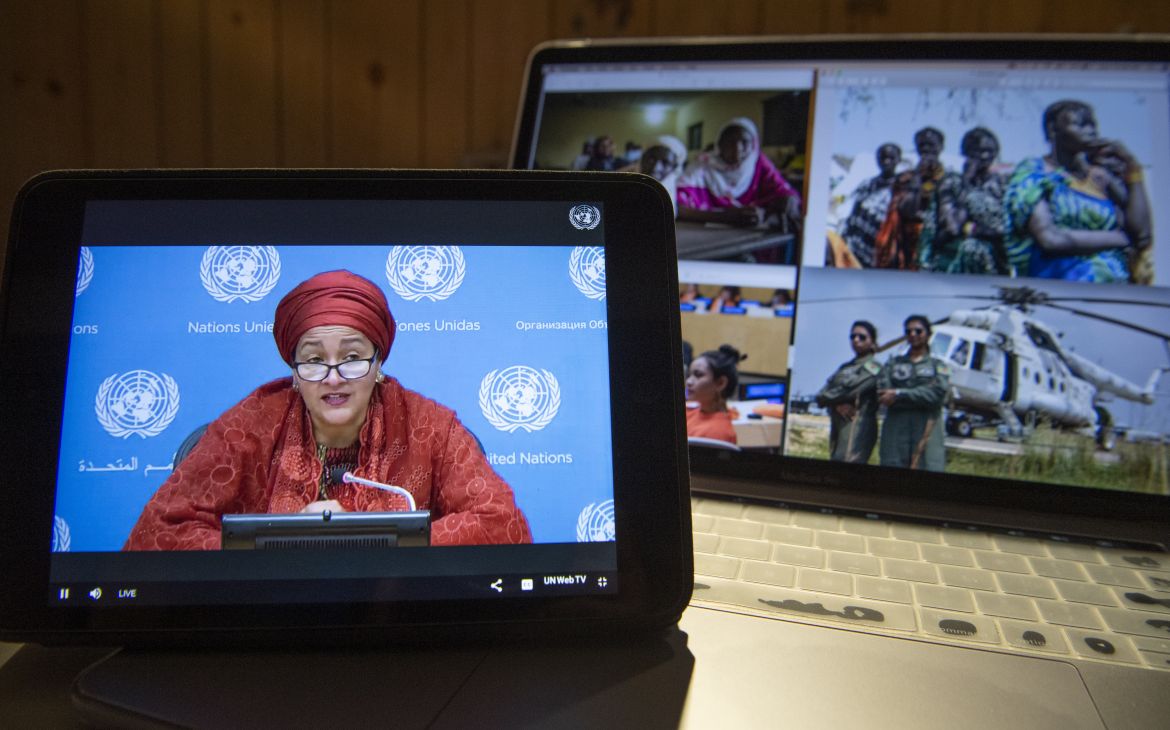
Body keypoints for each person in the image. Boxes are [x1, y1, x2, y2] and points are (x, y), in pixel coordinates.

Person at [125, 270, 532, 550]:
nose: (333, 378)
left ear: (378, 364)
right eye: (314, 360)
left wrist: (368, 542)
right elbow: (157, 533)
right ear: (293, 371)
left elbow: (502, 524)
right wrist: (282, 545)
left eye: (353, 357)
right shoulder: (249, 425)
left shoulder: (431, 426)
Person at [1003, 99, 1152, 283]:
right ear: (1052, 129)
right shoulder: (1034, 173)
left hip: (1113, 289)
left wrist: (1133, 170)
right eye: (1081, 124)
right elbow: (1050, 239)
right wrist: (1122, 239)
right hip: (1058, 287)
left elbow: (1142, 236)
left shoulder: (1100, 177)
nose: (1091, 131)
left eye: (1093, 125)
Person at [676, 117, 802, 235]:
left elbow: (782, 190)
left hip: (752, 237)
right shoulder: (702, 165)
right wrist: (726, 217)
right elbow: (677, 208)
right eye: (730, 141)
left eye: (745, 142)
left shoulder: (759, 163)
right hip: (708, 236)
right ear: (719, 144)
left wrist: (790, 198)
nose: (737, 148)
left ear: (753, 145)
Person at [921, 127, 1008, 274]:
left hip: (996, 261)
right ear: (967, 153)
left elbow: (1007, 229)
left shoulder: (1002, 185)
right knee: (972, 248)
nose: (985, 156)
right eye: (979, 151)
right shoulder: (952, 182)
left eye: (990, 151)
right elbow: (953, 227)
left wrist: (979, 230)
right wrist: (966, 183)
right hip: (955, 261)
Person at [877, 315, 950, 471]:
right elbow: (883, 395)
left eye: (918, 331)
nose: (913, 334)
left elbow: (936, 396)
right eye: (908, 331)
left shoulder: (938, 366)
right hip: (896, 430)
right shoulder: (893, 363)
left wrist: (899, 393)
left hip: (927, 429)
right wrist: (921, 395)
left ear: (928, 334)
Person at [874, 127, 947, 270]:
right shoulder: (905, 178)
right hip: (908, 244)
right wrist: (918, 177)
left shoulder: (950, 179)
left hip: (939, 243)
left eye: (931, 144)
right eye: (921, 145)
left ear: (941, 147)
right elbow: (906, 209)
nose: (926, 149)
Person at [815, 321, 881, 464]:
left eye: (862, 337)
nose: (856, 340)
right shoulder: (844, 367)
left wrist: (830, 399)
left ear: (872, 341)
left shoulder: (874, 367)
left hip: (857, 427)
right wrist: (836, 405)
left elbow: (851, 391)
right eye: (853, 336)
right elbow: (820, 395)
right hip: (838, 425)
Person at [838, 143, 902, 267]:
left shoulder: (902, 188)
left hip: (884, 247)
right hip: (858, 243)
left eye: (891, 158)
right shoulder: (866, 184)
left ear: (898, 160)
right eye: (883, 157)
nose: (886, 162)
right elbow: (854, 211)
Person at [685, 345, 746, 445]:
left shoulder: (719, 432)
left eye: (698, 375)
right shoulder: (691, 413)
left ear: (720, 383)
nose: (688, 381)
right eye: (689, 375)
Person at [640, 135, 688, 216]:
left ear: (675, 167)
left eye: (665, 163)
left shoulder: (681, 190)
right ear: (643, 159)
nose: (656, 168)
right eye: (651, 159)